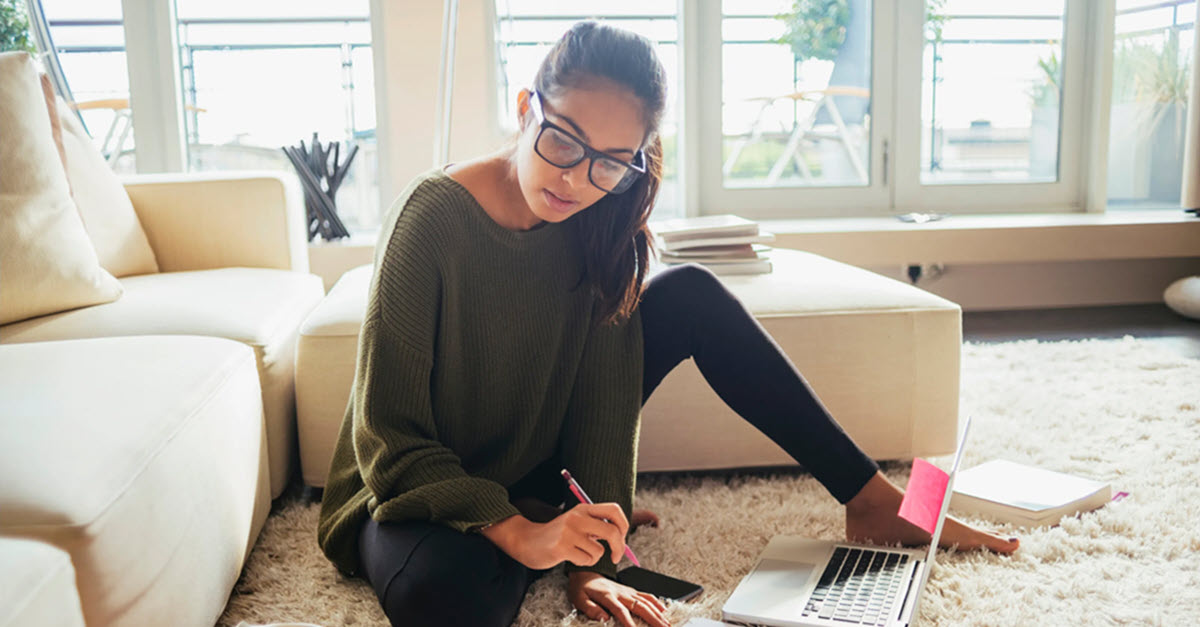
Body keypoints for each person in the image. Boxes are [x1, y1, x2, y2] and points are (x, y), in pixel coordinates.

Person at [316, 21, 1018, 627]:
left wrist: (593, 555)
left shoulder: (600, 218)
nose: (576, 179)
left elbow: (601, 394)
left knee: (687, 294)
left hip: (535, 455)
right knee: (451, 600)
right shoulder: (430, 219)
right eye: (563, 140)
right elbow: (391, 437)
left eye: (611, 163)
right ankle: (543, 522)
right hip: (411, 485)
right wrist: (520, 532)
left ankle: (874, 499)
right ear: (528, 106)